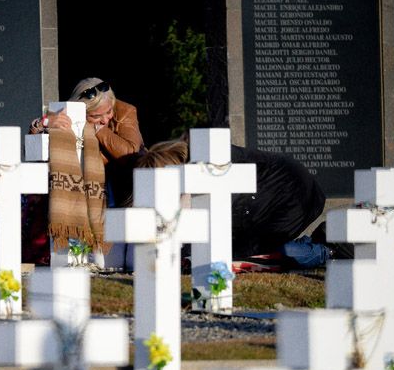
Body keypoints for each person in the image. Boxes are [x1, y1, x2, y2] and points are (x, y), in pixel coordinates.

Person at [133, 139, 333, 272]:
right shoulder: (192, 170)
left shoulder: (209, 155)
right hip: (265, 202)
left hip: (289, 196)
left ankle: (323, 251)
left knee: (240, 256)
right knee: (214, 253)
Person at [24, 78, 146, 268]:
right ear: (82, 111)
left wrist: (98, 129)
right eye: (97, 116)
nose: (106, 118)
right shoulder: (67, 116)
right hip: (76, 197)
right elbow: (34, 152)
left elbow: (131, 153)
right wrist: (45, 122)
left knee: (113, 262)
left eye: (109, 111)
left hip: (118, 194)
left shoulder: (125, 112)